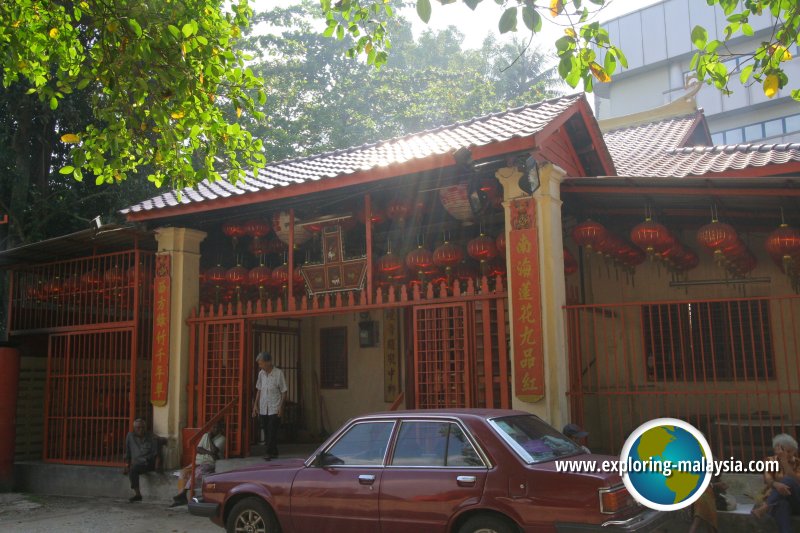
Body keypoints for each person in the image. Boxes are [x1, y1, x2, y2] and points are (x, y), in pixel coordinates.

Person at [751, 433, 800, 533]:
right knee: (782, 505)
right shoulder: (769, 461)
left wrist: (784, 461)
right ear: (777, 450)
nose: (789, 454)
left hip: (796, 500)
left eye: (791, 451)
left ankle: (765, 506)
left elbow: (796, 481)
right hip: (777, 502)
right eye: (785, 451)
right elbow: (768, 480)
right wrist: (777, 485)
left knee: (788, 480)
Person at [170, 421, 225, 507]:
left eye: (217, 428)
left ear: (220, 429)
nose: (215, 429)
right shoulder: (205, 435)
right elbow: (198, 448)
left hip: (210, 463)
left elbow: (215, 451)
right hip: (198, 461)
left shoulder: (222, 439)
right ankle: (181, 495)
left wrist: (210, 440)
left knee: (196, 473)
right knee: (183, 472)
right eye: (213, 427)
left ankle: (183, 494)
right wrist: (209, 453)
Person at [251, 352, 288, 461]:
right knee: (266, 430)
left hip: (274, 407)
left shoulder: (278, 373)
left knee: (272, 430)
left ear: (268, 362)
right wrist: (255, 406)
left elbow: (284, 391)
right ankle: (274, 452)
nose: (260, 366)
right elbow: (259, 390)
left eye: (261, 363)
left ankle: (268, 453)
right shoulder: (261, 374)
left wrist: (281, 407)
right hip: (263, 407)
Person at [122, 418, 166, 502]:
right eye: (138, 428)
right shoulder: (130, 436)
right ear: (134, 428)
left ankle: (138, 495)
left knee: (134, 469)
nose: (140, 429)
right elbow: (127, 452)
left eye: (142, 427)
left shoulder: (151, 437)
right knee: (133, 470)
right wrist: (127, 465)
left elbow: (157, 453)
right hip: (138, 463)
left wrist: (157, 466)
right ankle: (138, 494)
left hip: (148, 462)